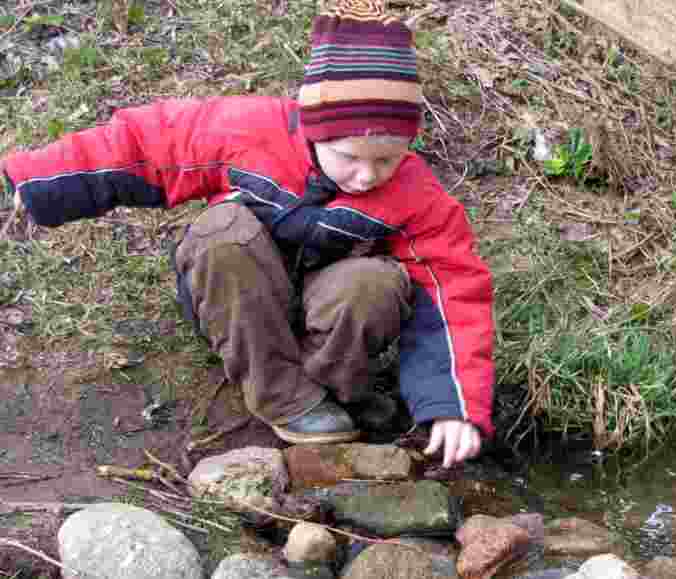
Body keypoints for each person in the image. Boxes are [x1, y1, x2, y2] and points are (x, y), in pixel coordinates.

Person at [0, 0, 494, 468]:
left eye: (385, 160)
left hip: (333, 319)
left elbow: (452, 291)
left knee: (374, 281)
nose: (366, 176)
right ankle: (285, 397)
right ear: (313, 128)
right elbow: (145, 145)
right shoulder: (248, 132)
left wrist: (453, 403)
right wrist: (42, 181)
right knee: (224, 231)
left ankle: (330, 387)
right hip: (238, 297)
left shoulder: (416, 194)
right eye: (349, 158)